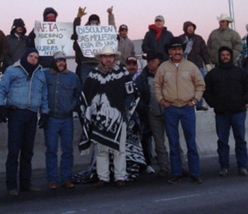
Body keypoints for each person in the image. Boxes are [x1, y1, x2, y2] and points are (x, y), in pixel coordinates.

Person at [78, 45, 139, 188]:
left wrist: (123, 110)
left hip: (118, 117)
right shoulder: (93, 75)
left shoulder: (122, 73)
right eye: (105, 57)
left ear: (115, 58)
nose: (108, 60)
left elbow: (131, 93)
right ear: (101, 59)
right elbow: (86, 95)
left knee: (120, 149)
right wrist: (91, 113)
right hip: (99, 119)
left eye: (110, 57)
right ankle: (103, 177)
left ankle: (120, 176)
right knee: (101, 149)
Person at [0, 48, 49, 196]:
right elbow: (1, 90)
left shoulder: (40, 73)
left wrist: (44, 113)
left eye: (36, 57)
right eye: (31, 56)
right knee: (13, 151)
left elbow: (44, 95)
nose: (34, 59)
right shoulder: (12, 70)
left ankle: (26, 183)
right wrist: (0, 106)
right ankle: (12, 185)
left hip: (32, 114)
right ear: (25, 57)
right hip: (16, 113)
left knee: (28, 151)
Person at [154, 37, 205, 184]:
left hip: (187, 108)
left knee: (191, 142)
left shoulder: (191, 67)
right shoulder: (163, 67)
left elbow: (200, 85)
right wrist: (162, 101)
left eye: (179, 49)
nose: (177, 52)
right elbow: (156, 85)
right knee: (173, 143)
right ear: (169, 51)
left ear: (182, 51)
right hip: (170, 109)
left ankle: (195, 173)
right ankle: (176, 173)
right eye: (174, 49)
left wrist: (195, 101)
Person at [204, 47, 248, 177]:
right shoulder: (213, 74)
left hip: (238, 112)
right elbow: (206, 91)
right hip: (221, 114)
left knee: (240, 140)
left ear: (231, 56)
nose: (225, 57)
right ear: (219, 57)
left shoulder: (240, 72)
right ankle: (224, 166)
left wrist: (244, 100)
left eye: (227, 55)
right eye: (223, 55)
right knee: (222, 141)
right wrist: (213, 103)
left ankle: (242, 166)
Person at [43, 52, 81, 190]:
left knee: (67, 150)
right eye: (58, 61)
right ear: (54, 62)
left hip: (67, 119)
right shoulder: (45, 74)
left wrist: (71, 107)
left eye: (63, 61)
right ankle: (52, 180)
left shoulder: (73, 77)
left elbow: (78, 94)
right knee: (51, 150)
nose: (61, 63)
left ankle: (66, 179)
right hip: (51, 118)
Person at [136, 51, 170, 177]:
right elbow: (137, 96)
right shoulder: (142, 78)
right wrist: (146, 110)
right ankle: (164, 168)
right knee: (159, 142)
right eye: (148, 60)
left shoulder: (167, 74)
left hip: (169, 111)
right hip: (153, 113)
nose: (150, 63)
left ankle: (180, 166)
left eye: (152, 60)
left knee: (174, 140)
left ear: (158, 61)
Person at [72, 6, 115, 83]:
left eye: (96, 22)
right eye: (92, 21)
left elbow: (112, 31)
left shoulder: (102, 33)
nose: (94, 23)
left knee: (99, 85)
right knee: (86, 86)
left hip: (98, 63)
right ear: (89, 22)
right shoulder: (83, 32)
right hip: (86, 63)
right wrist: (78, 18)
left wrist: (110, 15)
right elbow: (76, 30)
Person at [179, 21, 211, 111]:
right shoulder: (180, 39)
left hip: (198, 65)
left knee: (200, 85)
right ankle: (186, 103)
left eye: (192, 27)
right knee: (185, 85)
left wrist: (207, 63)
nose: (190, 29)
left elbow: (204, 52)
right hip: (184, 66)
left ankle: (199, 104)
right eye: (188, 27)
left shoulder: (199, 38)